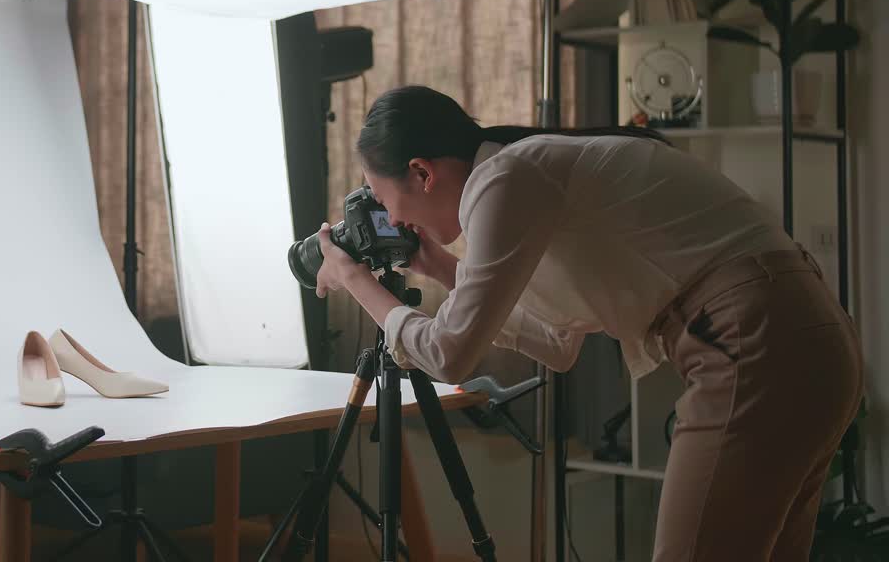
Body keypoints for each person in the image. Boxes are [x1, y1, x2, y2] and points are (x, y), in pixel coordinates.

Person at [311, 85, 864, 562]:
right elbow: (557, 344)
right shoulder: (526, 171)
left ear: (422, 173)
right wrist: (440, 268)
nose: (397, 221)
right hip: (806, 338)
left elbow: (450, 353)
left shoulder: (500, 179)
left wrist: (358, 283)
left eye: (385, 200)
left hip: (756, 342)